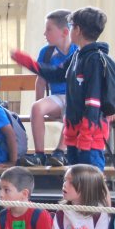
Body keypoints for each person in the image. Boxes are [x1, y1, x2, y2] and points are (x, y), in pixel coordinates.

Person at [12, 6, 115, 171]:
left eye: (72, 26)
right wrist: (30, 64)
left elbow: (93, 98)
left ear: (78, 30)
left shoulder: (94, 60)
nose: (70, 30)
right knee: (76, 175)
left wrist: (87, 133)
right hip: (76, 131)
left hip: (89, 134)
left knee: (91, 177)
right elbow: (56, 73)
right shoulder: (78, 56)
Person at [21, 9, 77, 167]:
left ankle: (60, 152)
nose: (44, 33)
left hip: (76, 97)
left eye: (49, 29)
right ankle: (39, 154)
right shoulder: (46, 52)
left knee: (72, 107)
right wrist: (39, 108)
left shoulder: (78, 50)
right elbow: (41, 80)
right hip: (57, 97)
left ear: (65, 32)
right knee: (36, 107)